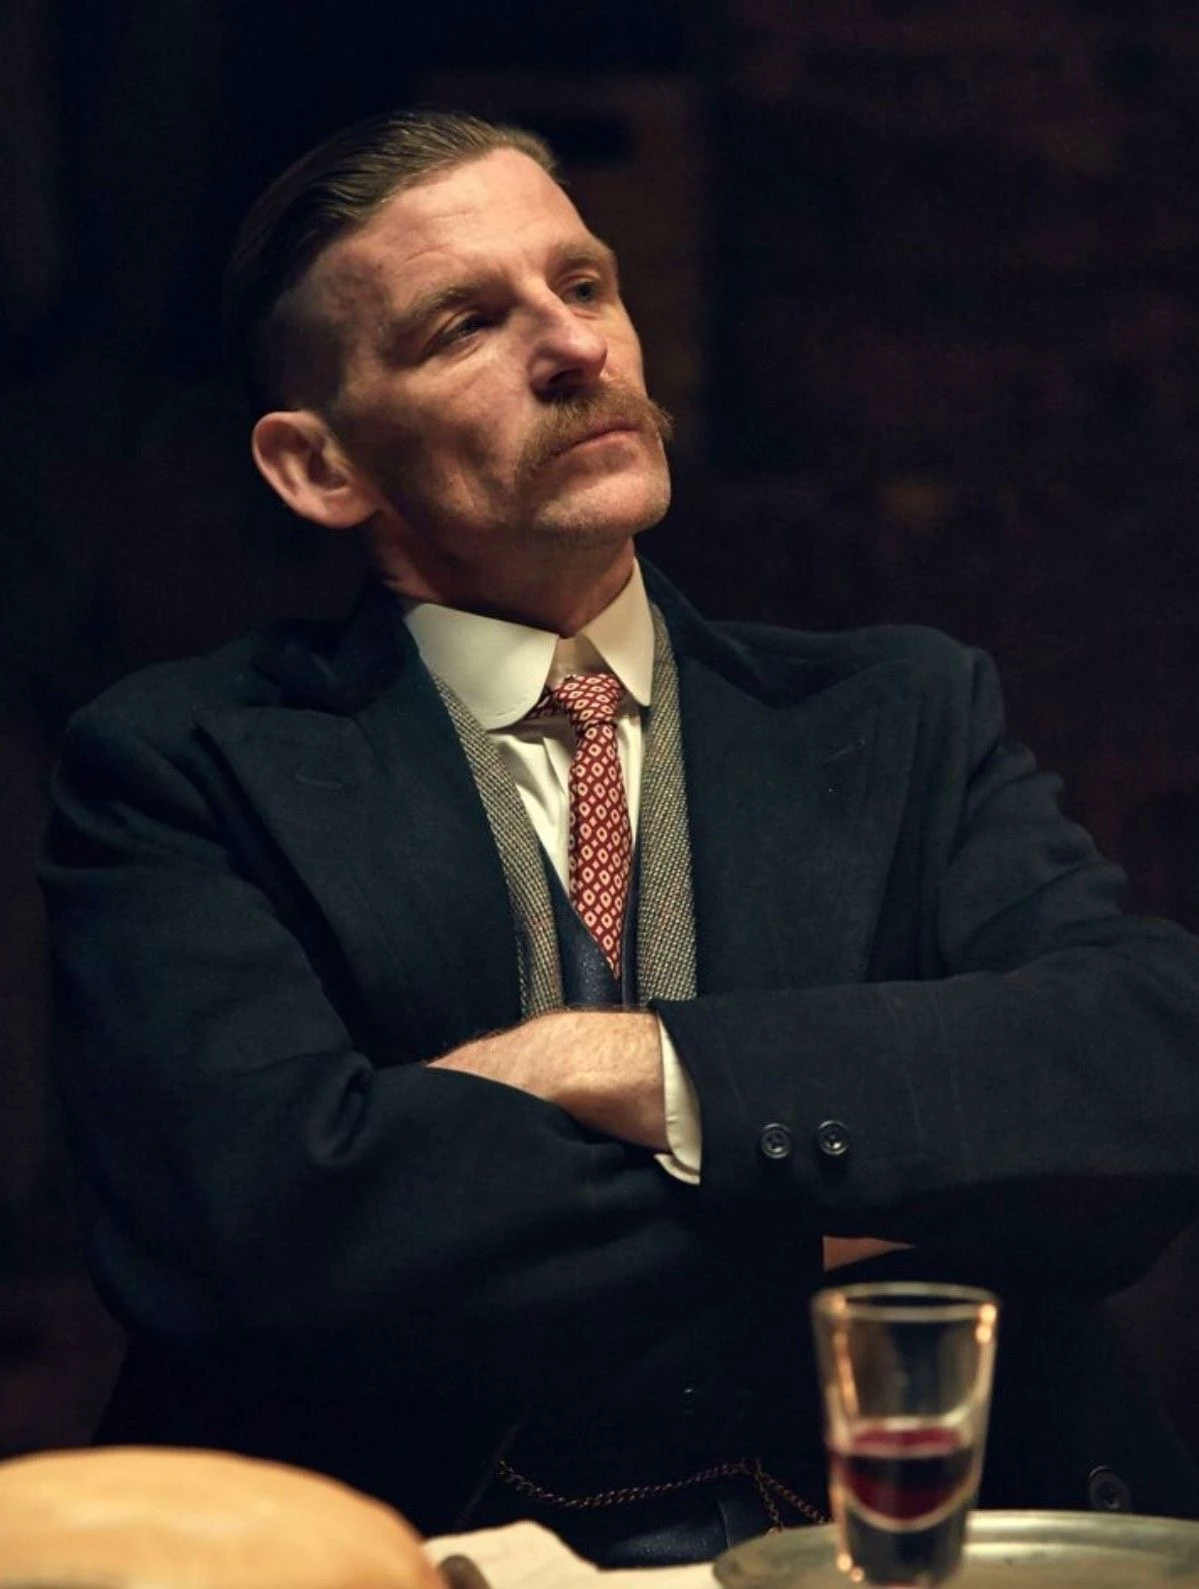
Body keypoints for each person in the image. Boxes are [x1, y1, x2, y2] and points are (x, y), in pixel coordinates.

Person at [40, 109, 1199, 1567]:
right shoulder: (183, 764)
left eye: (584, 285)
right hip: (422, 1553)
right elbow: (258, 1240)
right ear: (321, 467)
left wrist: (640, 1068)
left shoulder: (900, 711)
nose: (576, 347)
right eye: (466, 324)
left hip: (885, 1546)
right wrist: (874, 1203)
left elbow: (1142, 1073)